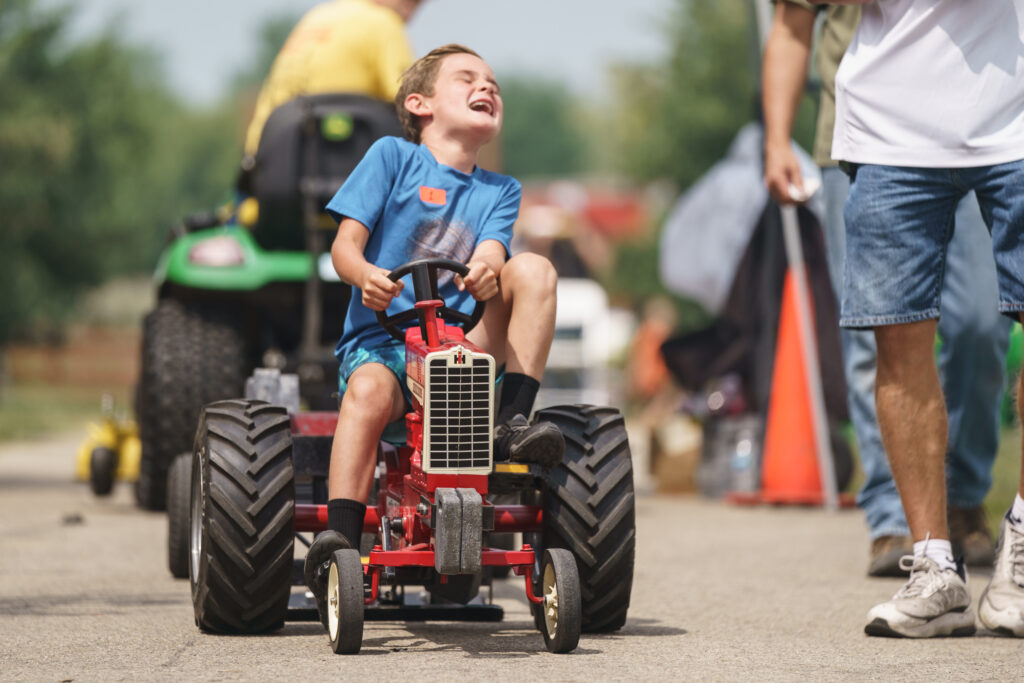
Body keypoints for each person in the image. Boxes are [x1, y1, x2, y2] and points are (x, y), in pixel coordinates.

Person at [301, 44, 565, 623]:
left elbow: (494, 248)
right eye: (468, 78)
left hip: (462, 345)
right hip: (385, 345)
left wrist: (490, 264)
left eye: (494, 83)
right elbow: (345, 247)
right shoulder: (392, 157)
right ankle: (341, 540)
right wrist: (367, 275)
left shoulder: (501, 189)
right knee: (368, 392)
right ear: (419, 104)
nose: (487, 88)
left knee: (535, 269)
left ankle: (511, 421)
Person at [762, 2, 1011, 578]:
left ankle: (966, 494)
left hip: (981, 128)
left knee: (980, 321)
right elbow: (791, 27)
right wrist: (778, 142)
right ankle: (893, 518)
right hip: (864, 139)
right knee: (880, 338)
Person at [822, 0, 1024, 638]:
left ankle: (1020, 554)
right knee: (900, 345)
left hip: (1016, 117)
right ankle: (935, 568)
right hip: (893, 126)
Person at [242, 0, 421, 160]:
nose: (414, 10)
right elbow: (412, 102)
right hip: (344, 173)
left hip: (271, 169)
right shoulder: (384, 23)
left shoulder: (314, 18)